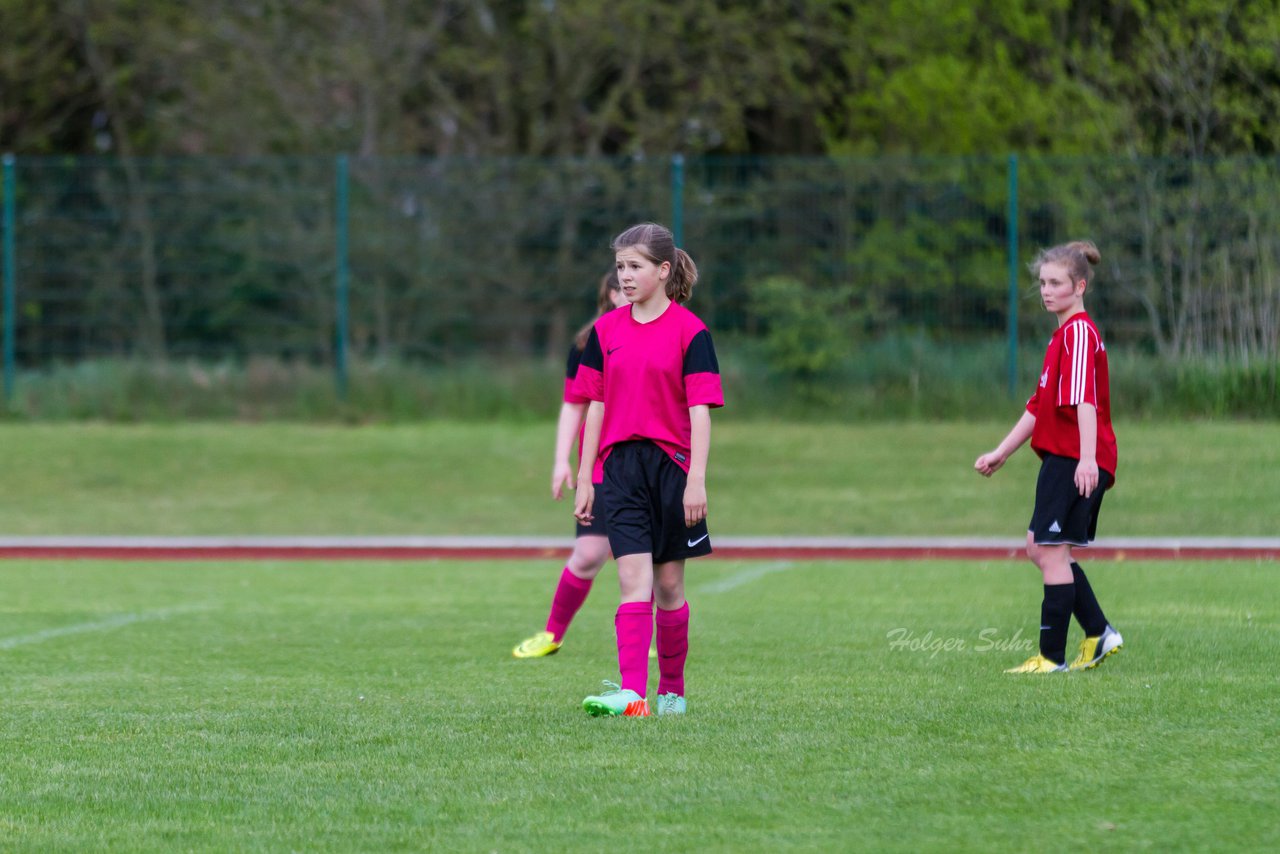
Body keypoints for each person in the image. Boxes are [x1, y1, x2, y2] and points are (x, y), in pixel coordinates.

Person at [573, 222, 723, 716]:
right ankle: (633, 694)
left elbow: (700, 410)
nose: (626, 276)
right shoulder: (605, 331)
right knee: (630, 578)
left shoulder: (691, 332)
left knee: (669, 586)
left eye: (635, 266)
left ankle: (672, 691)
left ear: (663, 270)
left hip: (672, 469)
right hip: (619, 469)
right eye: (620, 267)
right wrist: (585, 475)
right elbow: (594, 403)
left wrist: (695, 479)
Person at [974, 240, 1123, 674]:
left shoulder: (1078, 333)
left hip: (1074, 457)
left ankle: (1051, 657)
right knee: (1040, 548)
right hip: (1064, 455)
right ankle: (1098, 633)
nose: (1046, 290)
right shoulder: (1062, 337)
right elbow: (1039, 407)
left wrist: (1088, 459)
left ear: (1079, 286)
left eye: (1055, 282)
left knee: (1051, 551)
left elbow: (1086, 402)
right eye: (1042, 282)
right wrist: (1002, 452)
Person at [512, 270, 629, 659]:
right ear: (610, 294)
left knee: (643, 554)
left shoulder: (665, 335)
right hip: (599, 465)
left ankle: (646, 638)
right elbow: (574, 404)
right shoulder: (587, 344)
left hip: (646, 462)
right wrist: (562, 460)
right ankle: (552, 634)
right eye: (621, 283)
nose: (629, 288)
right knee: (589, 554)